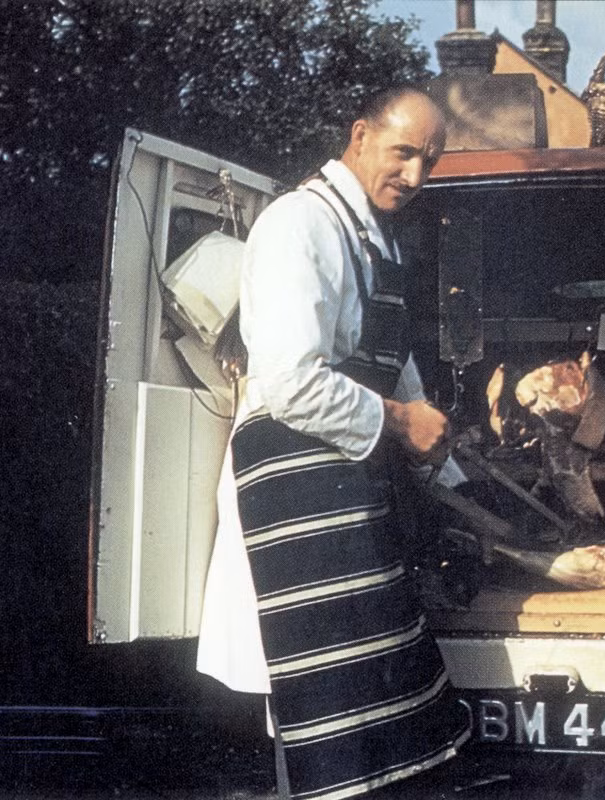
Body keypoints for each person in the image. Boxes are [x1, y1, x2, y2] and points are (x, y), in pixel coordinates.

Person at [195, 86, 471, 799]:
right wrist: (404, 424)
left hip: (350, 497)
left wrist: (455, 476)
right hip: (299, 502)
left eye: (430, 161)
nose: (415, 175)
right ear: (359, 136)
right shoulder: (300, 224)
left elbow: (393, 371)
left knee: (377, 739)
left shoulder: (375, 237)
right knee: (322, 733)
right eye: (403, 152)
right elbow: (290, 382)